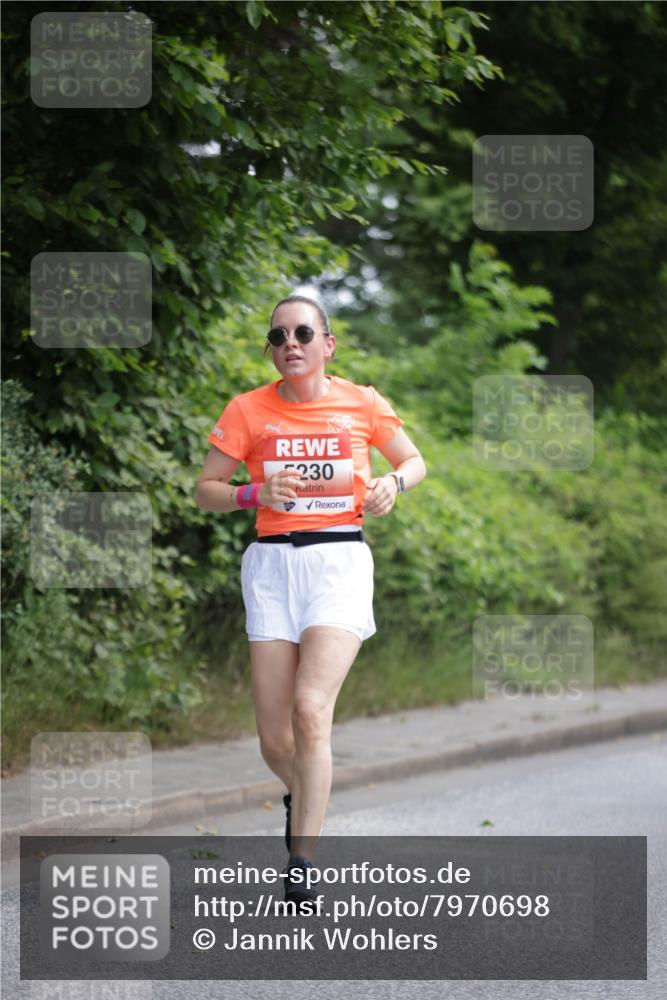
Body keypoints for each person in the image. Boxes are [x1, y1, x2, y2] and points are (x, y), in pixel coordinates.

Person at [195, 293, 426, 905]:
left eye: (302, 333)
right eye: (277, 336)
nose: (289, 344)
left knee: (309, 710)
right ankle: (306, 793)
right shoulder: (248, 410)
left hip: (339, 562)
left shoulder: (362, 402)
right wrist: (255, 493)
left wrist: (391, 484)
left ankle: (303, 861)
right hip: (272, 568)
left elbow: (414, 460)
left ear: (328, 344)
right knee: (275, 740)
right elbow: (205, 490)